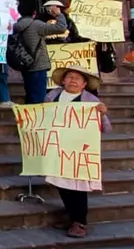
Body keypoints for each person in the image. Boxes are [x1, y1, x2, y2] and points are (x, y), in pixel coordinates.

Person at [45, 66, 111, 238]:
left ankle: (80, 222)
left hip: (80, 150)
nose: (73, 80)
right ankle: (72, 217)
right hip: (58, 147)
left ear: (83, 84)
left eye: (78, 78)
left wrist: (102, 114)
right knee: (61, 183)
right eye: (70, 77)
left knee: (78, 186)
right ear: (63, 80)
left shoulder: (91, 101)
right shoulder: (52, 96)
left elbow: (106, 128)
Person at [13, 0, 67, 104]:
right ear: (34, 13)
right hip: (38, 65)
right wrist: (59, 15)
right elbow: (61, 28)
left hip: (25, 65)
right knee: (38, 99)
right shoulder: (36, 25)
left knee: (30, 95)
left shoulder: (16, 26)